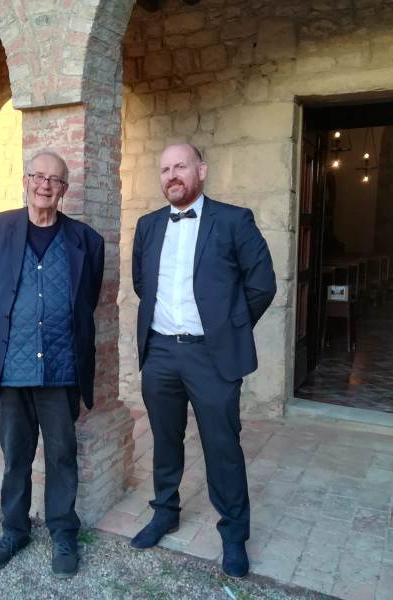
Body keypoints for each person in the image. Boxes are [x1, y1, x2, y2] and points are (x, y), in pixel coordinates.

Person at [130, 143, 276, 578]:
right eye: (164, 169)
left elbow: (262, 284)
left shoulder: (233, 220)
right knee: (164, 440)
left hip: (211, 355)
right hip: (160, 351)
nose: (172, 175)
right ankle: (165, 512)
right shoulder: (148, 226)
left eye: (180, 166)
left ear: (202, 171)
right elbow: (142, 283)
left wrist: (227, 328)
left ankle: (233, 535)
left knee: (222, 446)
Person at [0, 150, 105, 578]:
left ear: (64, 189)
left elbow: (87, 301)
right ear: (26, 180)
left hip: (62, 368)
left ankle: (63, 533)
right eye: (38, 176)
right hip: (13, 369)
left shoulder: (86, 240)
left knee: (62, 455)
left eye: (55, 180)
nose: (45, 185)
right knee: (16, 456)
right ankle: (15, 531)